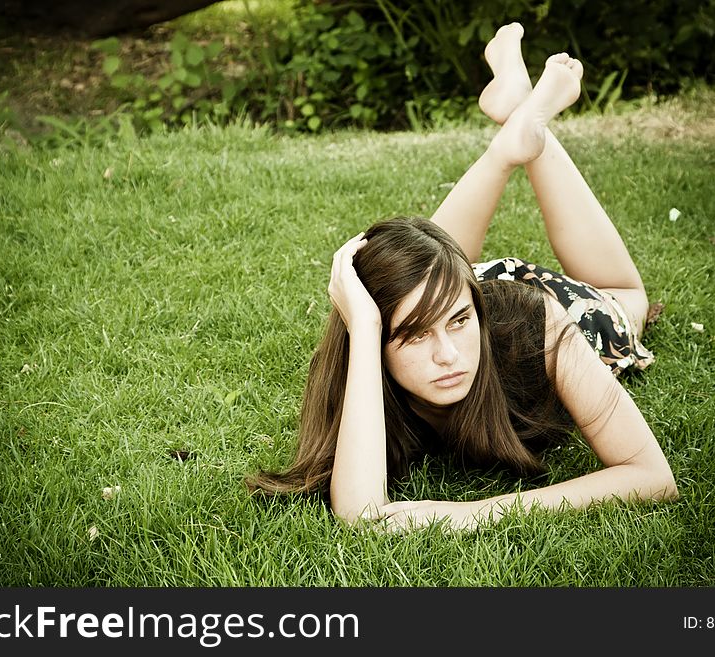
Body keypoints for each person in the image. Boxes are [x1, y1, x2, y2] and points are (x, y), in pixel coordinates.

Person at [246, 23, 678, 530]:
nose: (447, 357)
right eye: (412, 335)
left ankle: (522, 131)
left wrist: (474, 514)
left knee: (627, 299)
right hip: (452, 284)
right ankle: (517, 119)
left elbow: (651, 476)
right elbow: (360, 514)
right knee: (426, 267)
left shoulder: (538, 329)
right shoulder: (363, 356)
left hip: (556, 311)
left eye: (454, 325)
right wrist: (364, 325)